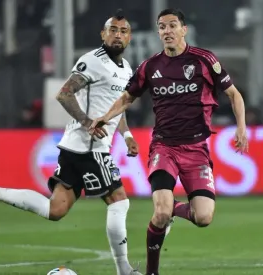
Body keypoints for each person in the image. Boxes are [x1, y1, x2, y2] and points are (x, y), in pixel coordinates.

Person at [0, 9, 142, 275]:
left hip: (77, 148)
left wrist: (126, 135)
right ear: (103, 34)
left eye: (123, 31)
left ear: (129, 37)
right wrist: (86, 121)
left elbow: (116, 108)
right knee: (119, 201)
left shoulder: (126, 68)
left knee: (55, 209)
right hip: (88, 147)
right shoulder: (92, 61)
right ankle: (124, 270)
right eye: (113, 30)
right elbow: (65, 94)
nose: (118, 35)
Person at [90, 8, 248, 275]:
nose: (167, 31)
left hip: (197, 150)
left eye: (172, 25)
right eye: (162, 27)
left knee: (204, 217)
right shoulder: (150, 67)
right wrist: (105, 117)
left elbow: (234, 94)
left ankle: (170, 209)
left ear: (183, 30)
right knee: (161, 213)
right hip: (164, 147)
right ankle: (152, 272)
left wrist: (241, 127)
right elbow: (128, 98)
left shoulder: (204, 60)